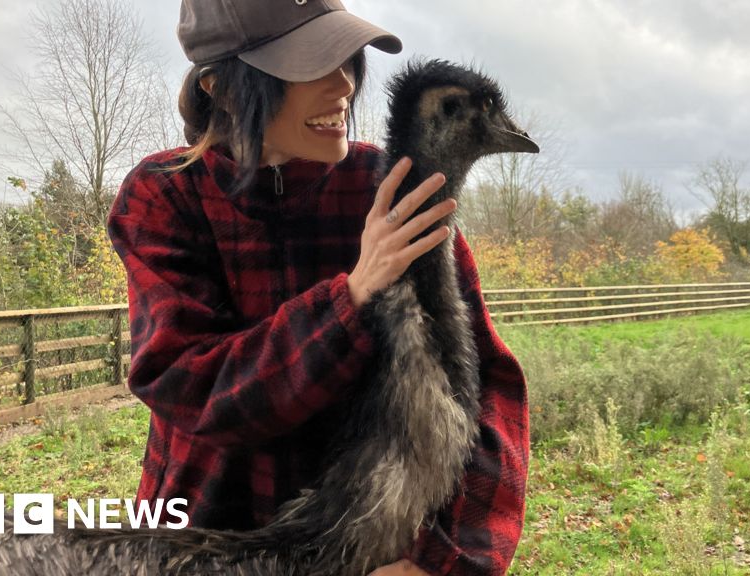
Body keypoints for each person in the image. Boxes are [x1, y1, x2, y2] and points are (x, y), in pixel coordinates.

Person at [106, 1, 530, 574]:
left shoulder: (385, 184)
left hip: (364, 549)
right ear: (222, 87)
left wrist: (445, 558)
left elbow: (486, 385)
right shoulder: (164, 195)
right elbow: (189, 385)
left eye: (347, 60)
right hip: (201, 542)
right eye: (307, 66)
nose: (343, 87)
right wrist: (353, 295)